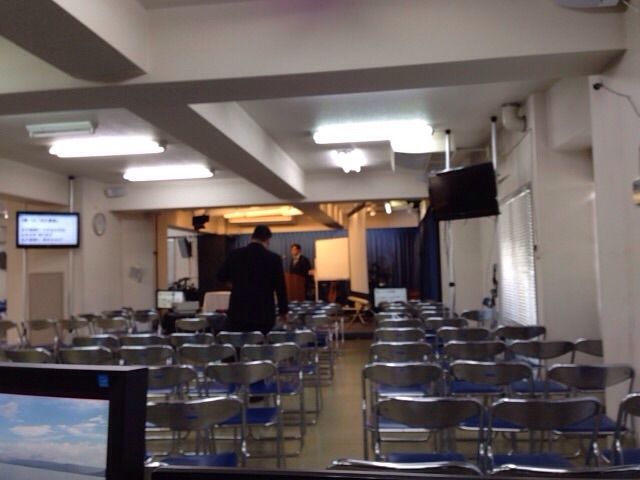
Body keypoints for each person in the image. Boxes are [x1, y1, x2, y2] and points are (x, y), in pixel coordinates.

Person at [216, 225, 288, 334]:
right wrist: (283, 310)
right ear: (268, 239)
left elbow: (220, 276)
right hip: (263, 314)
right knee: (262, 342)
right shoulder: (274, 259)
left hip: (238, 312)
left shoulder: (235, 255)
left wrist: (232, 281)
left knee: (238, 342)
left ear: (251, 237)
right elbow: (280, 288)